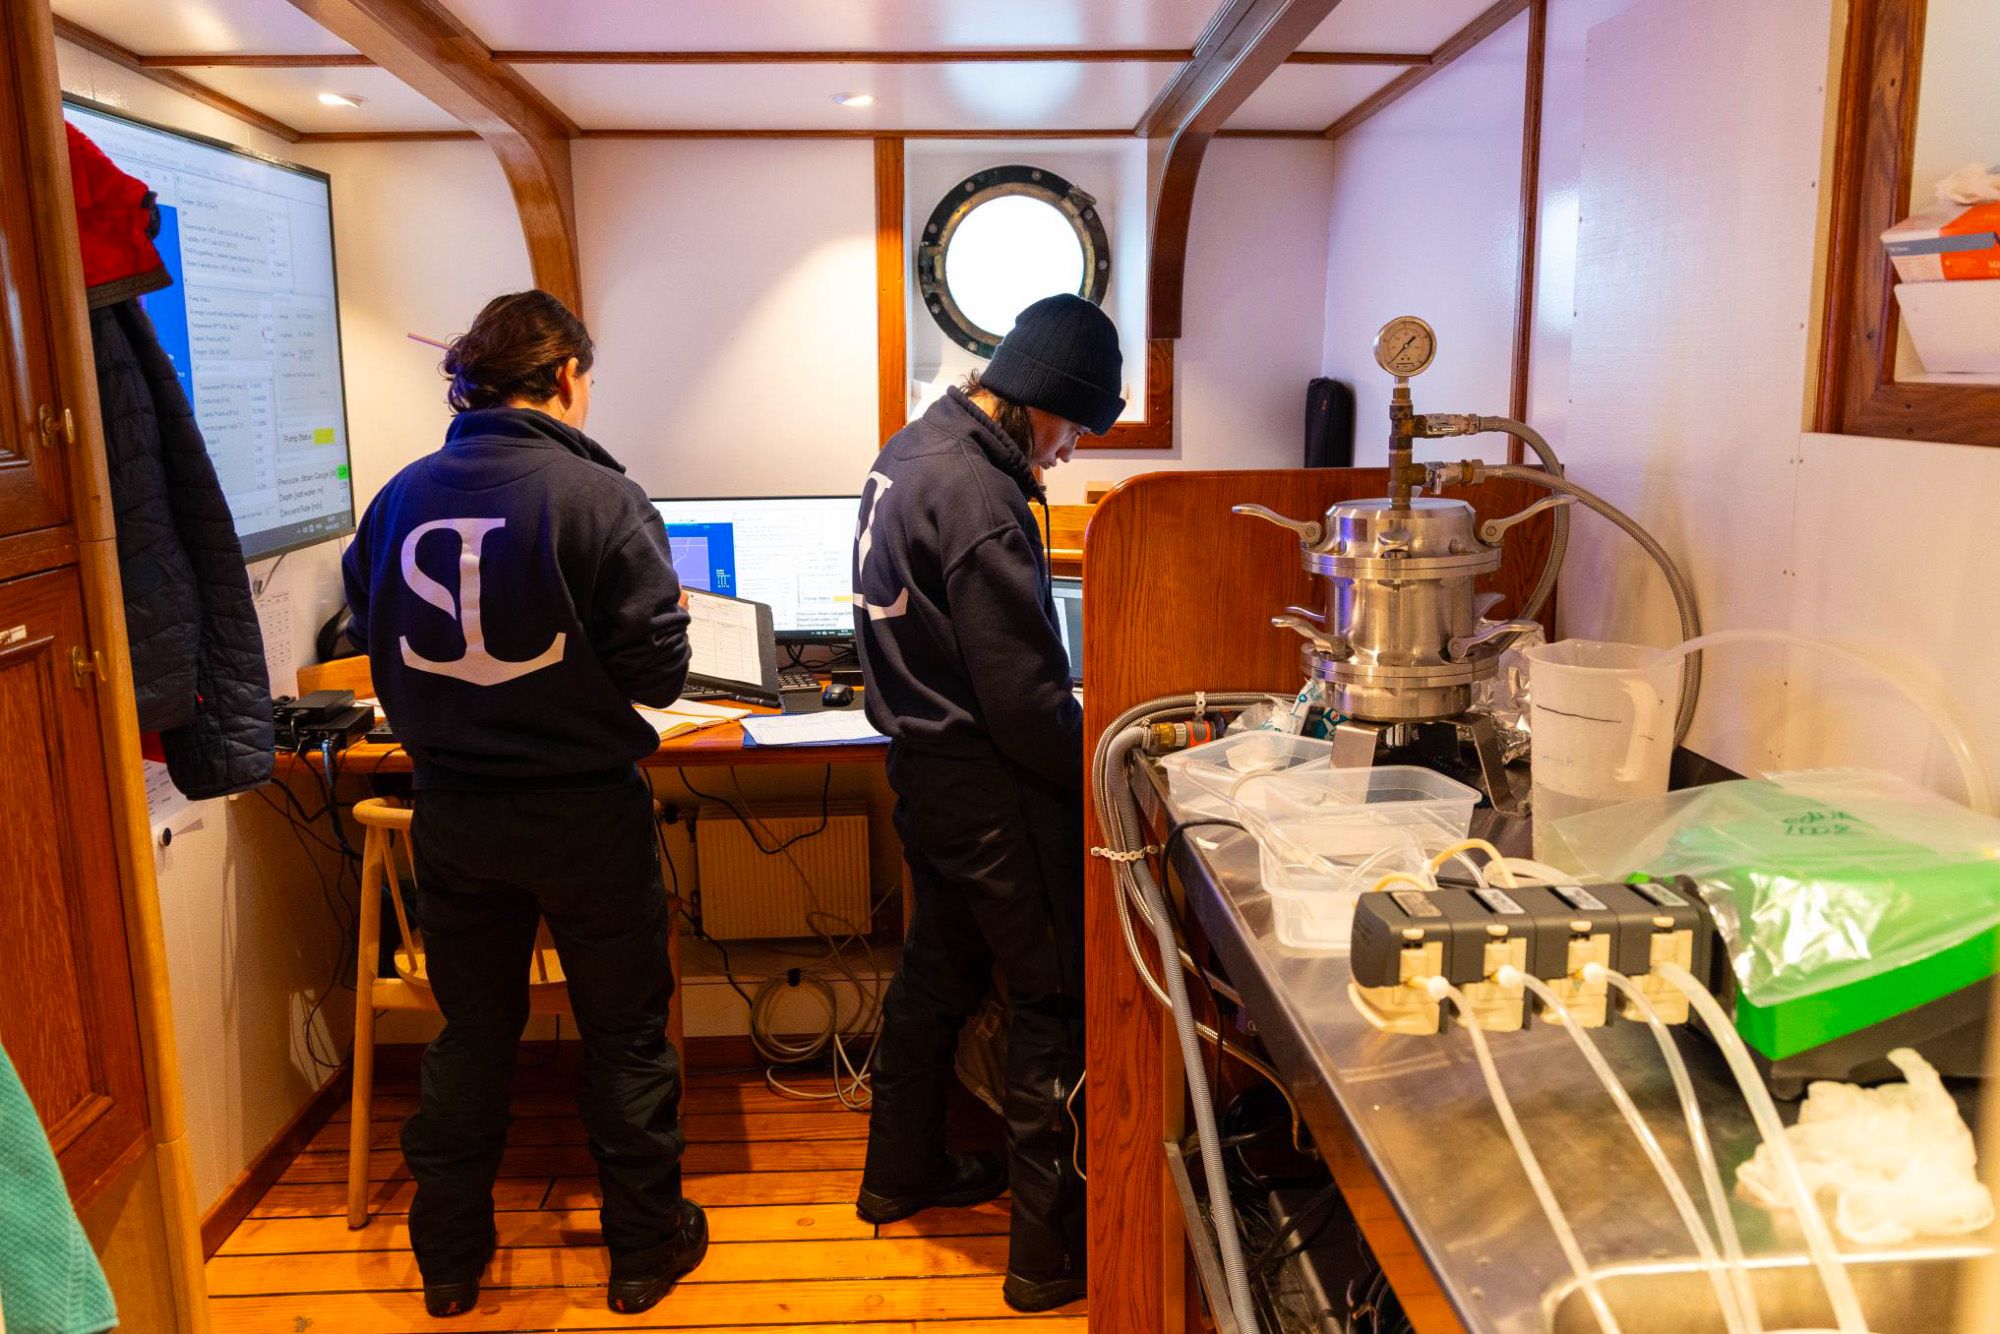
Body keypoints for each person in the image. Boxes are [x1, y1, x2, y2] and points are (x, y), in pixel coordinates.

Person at [342, 290, 705, 1318]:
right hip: (584, 811)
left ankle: (449, 1262)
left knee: (472, 1032)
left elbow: (365, 606)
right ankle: (641, 1252)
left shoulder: (402, 495)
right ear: (563, 378)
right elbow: (658, 671)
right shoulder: (600, 496)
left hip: (455, 810)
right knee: (625, 1034)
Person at [850, 293, 1123, 1312]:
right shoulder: (980, 494)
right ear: (1037, 402)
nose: (1062, 453)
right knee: (1049, 996)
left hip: (922, 770)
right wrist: (1095, 762)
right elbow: (1020, 701)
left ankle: (898, 1172)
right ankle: (1048, 1257)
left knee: (937, 975)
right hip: (993, 789)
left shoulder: (911, 451)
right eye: (1068, 429)